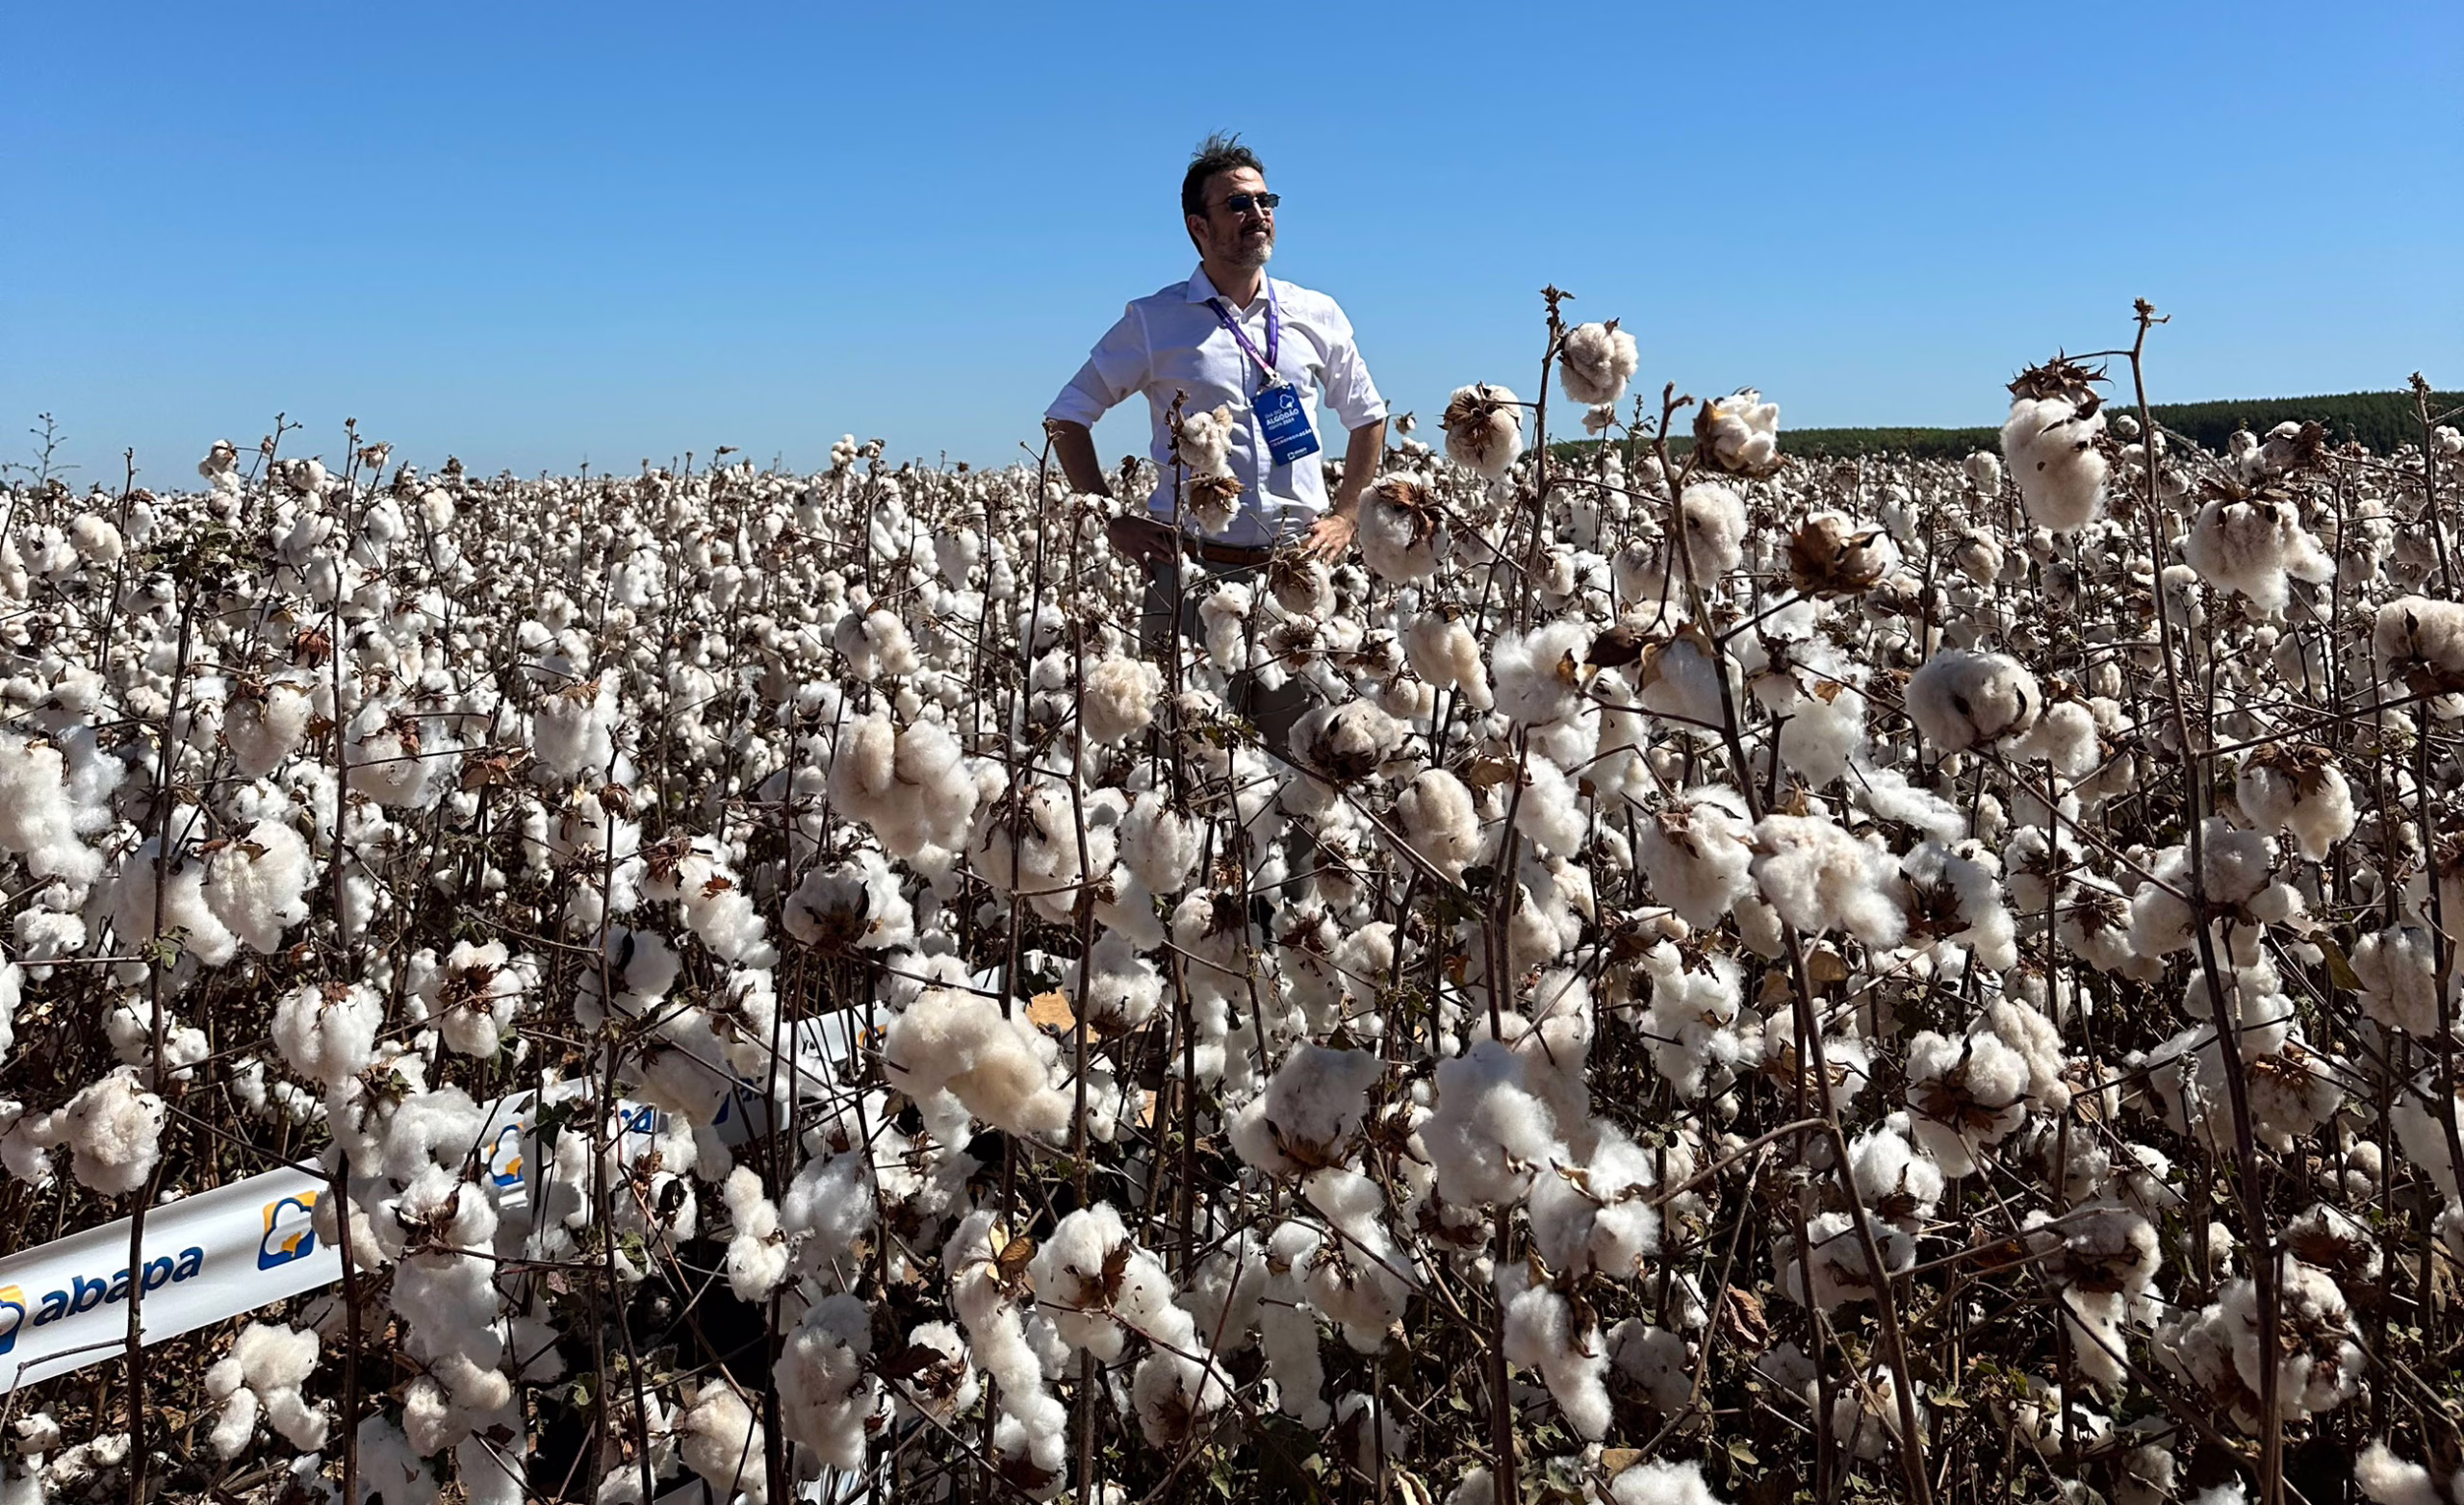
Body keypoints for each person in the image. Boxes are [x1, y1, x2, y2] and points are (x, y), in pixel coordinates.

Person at [1042, 133, 1388, 750]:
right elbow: (1066, 418)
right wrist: (1110, 517)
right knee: (1183, 764)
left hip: (1295, 579)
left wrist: (1346, 514)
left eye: (1266, 200)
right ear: (1198, 227)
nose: (1258, 215)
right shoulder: (1155, 321)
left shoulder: (1318, 313)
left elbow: (1367, 416)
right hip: (1187, 578)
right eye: (1238, 205)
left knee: (1305, 761)